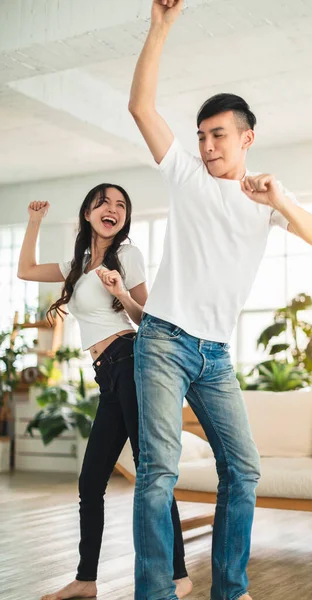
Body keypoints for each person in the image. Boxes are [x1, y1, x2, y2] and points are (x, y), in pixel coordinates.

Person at [128, 1, 312, 599]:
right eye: (202, 136)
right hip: (164, 341)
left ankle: (230, 588)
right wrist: (160, 27)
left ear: (247, 139)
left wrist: (280, 201)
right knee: (158, 473)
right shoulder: (187, 176)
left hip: (215, 355)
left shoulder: (267, 200)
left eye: (219, 135)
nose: (208, 145)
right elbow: (141, 107)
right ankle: (156, 594)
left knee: (243, 468)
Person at [17, 184, 192, 600]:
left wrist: (121, 293)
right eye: (104, 202)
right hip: (107, 376)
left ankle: (179, 575)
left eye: (121, 205)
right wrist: (35, 221)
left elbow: (149, 320)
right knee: (91, 480)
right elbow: (25, 270)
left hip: (131, 362)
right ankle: (86, 579)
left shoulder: (127, 256)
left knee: (151, 473)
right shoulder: (76, 264)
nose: (113, 209)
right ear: (88, 213)